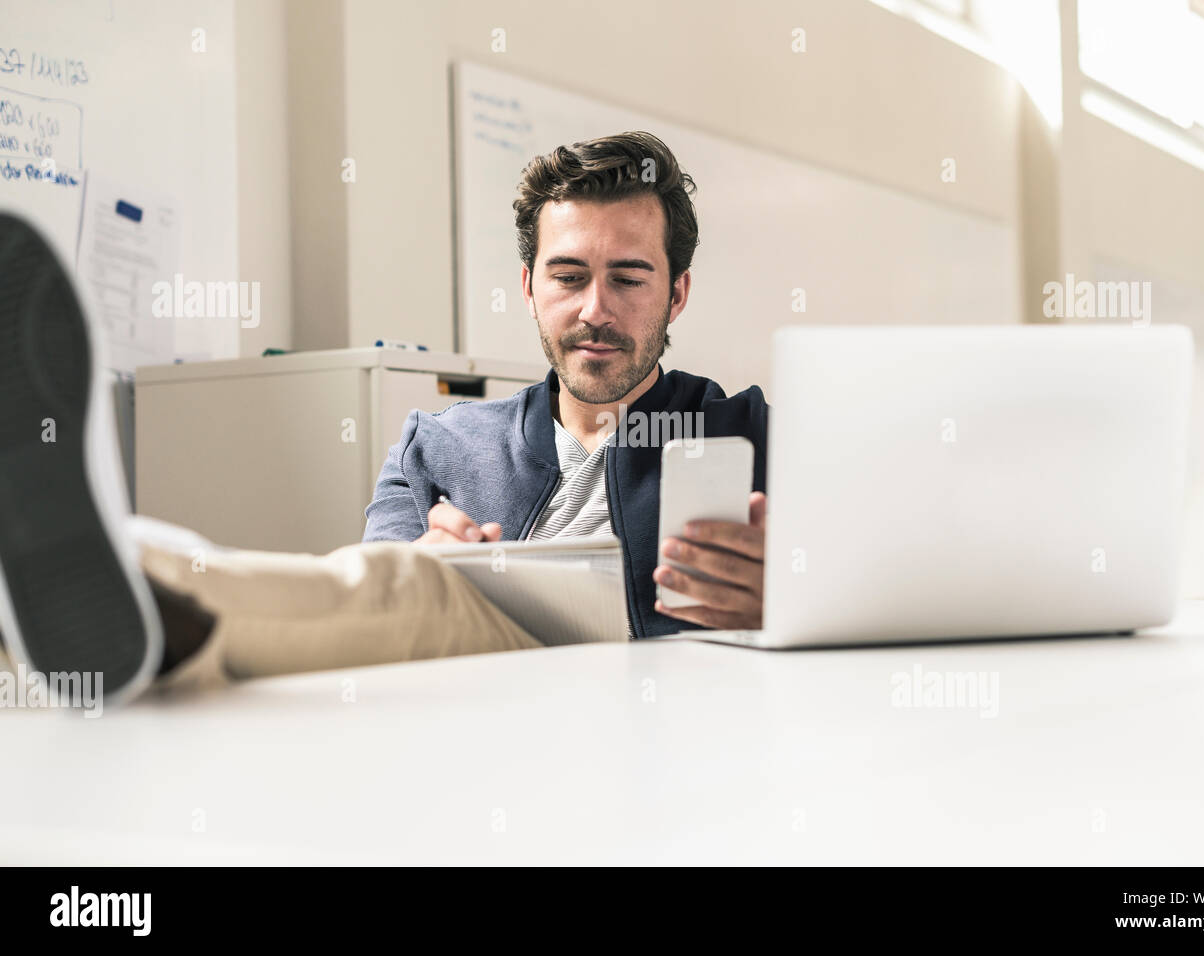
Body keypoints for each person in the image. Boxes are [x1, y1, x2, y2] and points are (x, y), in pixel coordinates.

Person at [0, 131, 768, 708]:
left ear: (677, 294)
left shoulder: (752, 433)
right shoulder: (440, 443)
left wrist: (780, 600)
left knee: (412, 593)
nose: (595, 309)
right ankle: (138, 595)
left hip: (663, 702)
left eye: (628, 279)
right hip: (483, 692)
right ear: (529, 288)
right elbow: (359, 597)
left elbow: (840, 590)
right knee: (408, 584)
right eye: (568, 277)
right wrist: (430, 558)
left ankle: (146, 599)